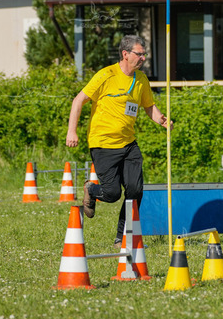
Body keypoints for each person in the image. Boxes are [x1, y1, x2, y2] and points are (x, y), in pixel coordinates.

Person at [66, 35, 172, 248]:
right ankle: (91, 190)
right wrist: (72, 131)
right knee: (112, 193)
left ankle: (123, 237)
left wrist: (161, 119)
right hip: (103, 144)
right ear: (125, 54)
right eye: (139, 54)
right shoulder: (106, 75)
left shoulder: (141, 79)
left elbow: (148, 106)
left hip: (129, 144)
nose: (143, 58)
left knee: (135, 191)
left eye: (144, 54)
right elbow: (78, 100)